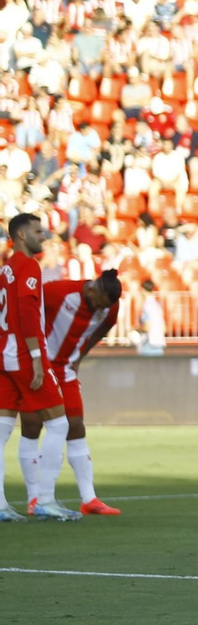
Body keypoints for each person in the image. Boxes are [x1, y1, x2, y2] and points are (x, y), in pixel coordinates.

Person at [16, 271, 123, 517]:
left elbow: (105, 327)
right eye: (97, 303)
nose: (99, 309)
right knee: (32, 426)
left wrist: (81, 356)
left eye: (104, 307)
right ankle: (34, 498)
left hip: (65, 371)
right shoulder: (58, 292)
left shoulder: (110, 306)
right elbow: (25, 312)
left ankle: (89, 499)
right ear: (92, 289)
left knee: (75, 427)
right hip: (39, 367)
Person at [0, 214, 76, 522]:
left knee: (2, 430)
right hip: (24, 354)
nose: (43, 236)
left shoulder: (5, 268)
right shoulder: (28, 265)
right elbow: (27, 311)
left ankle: (1, 505)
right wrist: (35, 356)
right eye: (37, 231)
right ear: (21, 235)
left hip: (4, 353)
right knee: (58, 424)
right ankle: (44, 500)